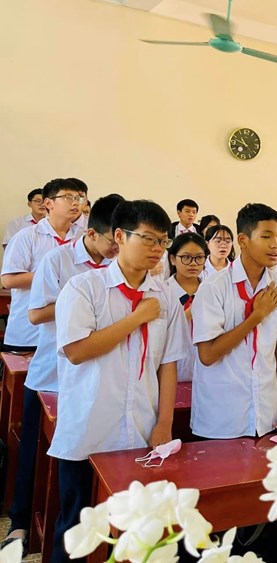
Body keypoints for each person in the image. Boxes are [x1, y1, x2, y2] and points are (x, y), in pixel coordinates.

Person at [47, 200, 188, 563]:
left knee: (133, 532)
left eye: (163, 241)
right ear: (120, 237)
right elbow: (77, 351)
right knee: (77, 530)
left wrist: (164, 424)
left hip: (140, 432)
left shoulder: (165, 297)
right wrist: (136, 318)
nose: (157, 249)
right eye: (148, 238)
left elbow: (168, 364)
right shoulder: (84, 288)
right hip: (89, 432)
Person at [1, 194, 122, 551]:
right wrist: (82, 301)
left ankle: (73, 534)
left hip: (93, 379)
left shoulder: (120, 265)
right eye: (113, 241)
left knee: (76, 466)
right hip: (51, 376)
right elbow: (36, 314)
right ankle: (19, 524)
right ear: (95, 232)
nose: (117, 249)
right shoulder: (59, 259)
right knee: (33, 452)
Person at [191, 203, 277, 440]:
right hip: (222, 415)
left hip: (266, 413)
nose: (276, 245)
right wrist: (256, 316)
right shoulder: (213, 287)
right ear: (243, 240)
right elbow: (207, 355)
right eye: (266, 236)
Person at [1, 178, 84, 351]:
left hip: (69, 334)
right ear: (48, 203)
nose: (75, 203)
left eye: (78, 198)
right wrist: (54, 274)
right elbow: (8, 280)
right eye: (68, 197)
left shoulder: (82, 238)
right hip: (29, 333)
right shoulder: (27, 236)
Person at [167, 232, 208, 381]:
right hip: (171, 373)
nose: (193, 263)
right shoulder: (162, 292)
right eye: (186, 257)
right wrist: (191, 311)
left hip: (207, 374)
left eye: (199, 257)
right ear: (173, 259)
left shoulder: (213, 290)